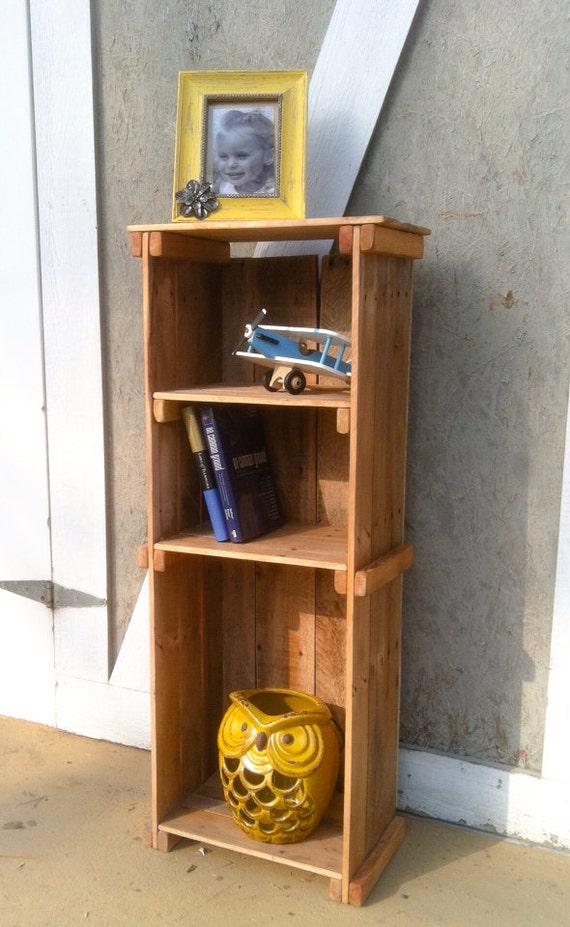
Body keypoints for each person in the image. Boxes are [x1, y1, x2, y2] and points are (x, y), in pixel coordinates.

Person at [213, 109, 275, 195]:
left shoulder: (273, 193)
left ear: (268, 156)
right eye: (224, 156)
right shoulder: (223, 188)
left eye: (241, 156)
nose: (231, 164)